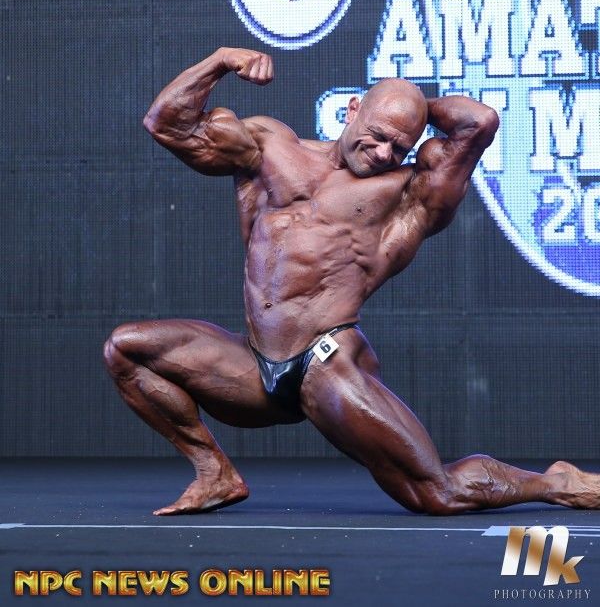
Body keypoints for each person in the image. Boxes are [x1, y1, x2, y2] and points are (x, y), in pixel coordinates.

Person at [104, 46, 600, 516]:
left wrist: (411, 104)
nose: (384, 152)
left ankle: (557, 483)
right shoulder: (271, 148)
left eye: (399, 145)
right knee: (126, 349)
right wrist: (220, 61)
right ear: (353, 109)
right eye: (377, 134)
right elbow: (167, 123)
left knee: (437, 494)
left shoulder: (410, 193)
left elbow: (480, 121)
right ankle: (214, 472)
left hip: (325, 362)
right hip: (254, 363)